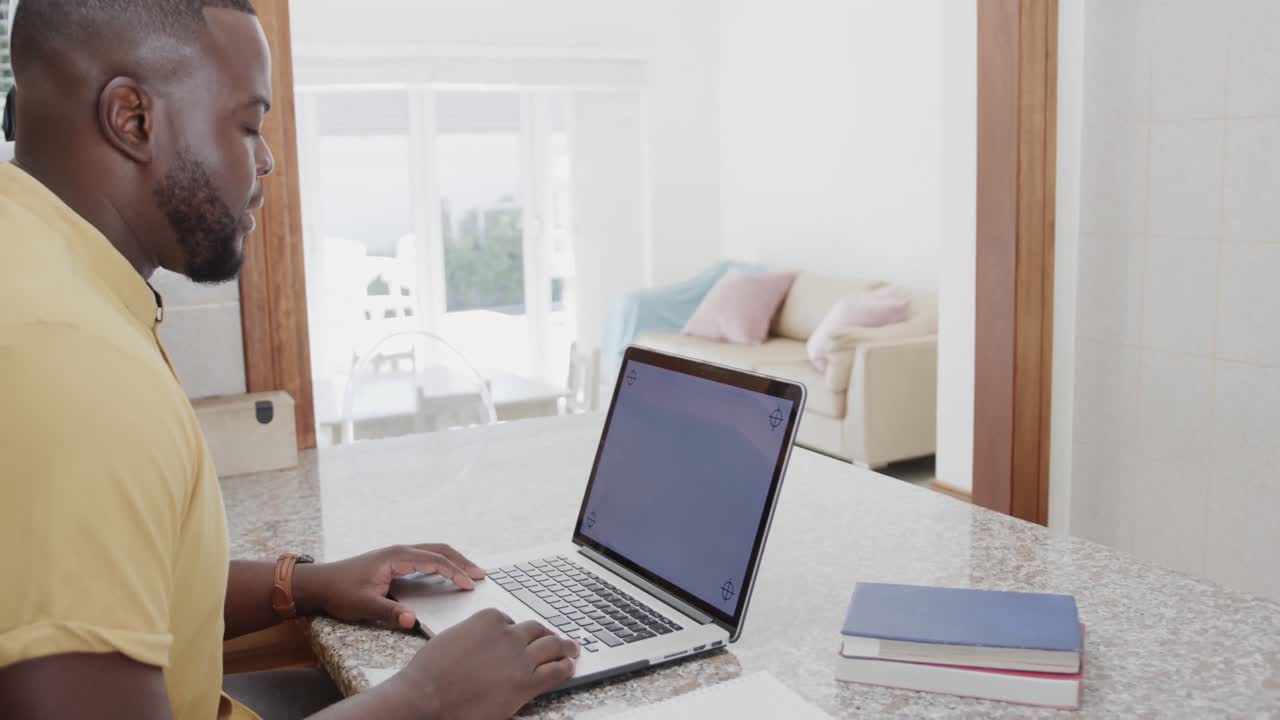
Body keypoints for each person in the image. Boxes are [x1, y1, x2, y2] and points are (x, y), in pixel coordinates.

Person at [0, 2, 578, 718]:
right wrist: (430, 696)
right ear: (134, 120)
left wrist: (301, 583)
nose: (266, 157)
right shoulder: (69, 362)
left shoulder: (36, 271)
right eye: (247, 124)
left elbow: (126, 585)